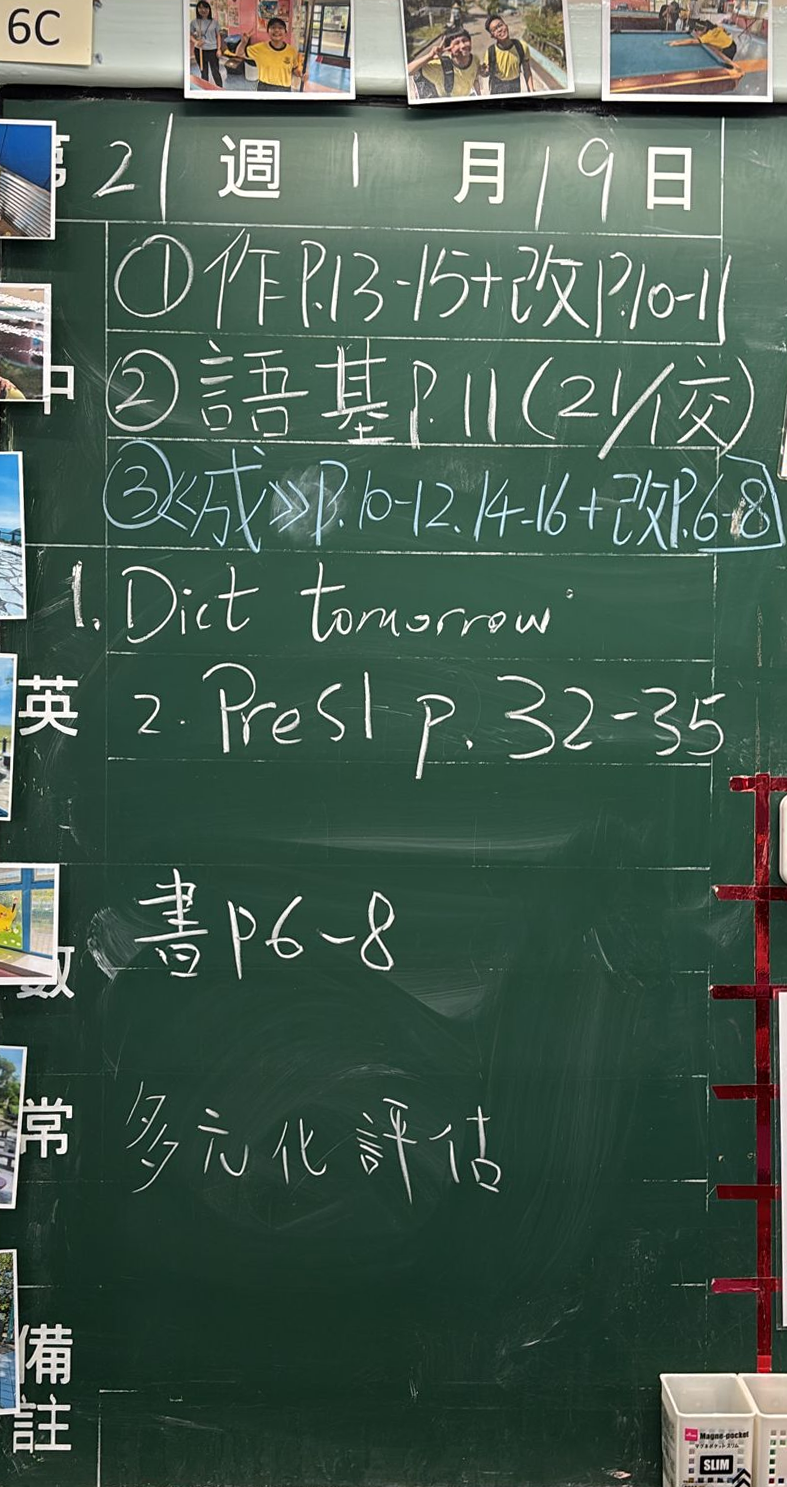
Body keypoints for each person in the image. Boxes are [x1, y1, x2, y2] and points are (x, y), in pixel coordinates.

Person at [234, 15, 304, 92]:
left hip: (284, 89)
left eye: (280, 28)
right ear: (268, 31)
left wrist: (302, 74)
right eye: (273, 27)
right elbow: (239, 54)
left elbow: (295, 69)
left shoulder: (292, 51)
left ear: (285, 32)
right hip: (264, 87)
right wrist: (243, 43)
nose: (276, 30)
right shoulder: (259, 48)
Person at [408, 28, 481, 99]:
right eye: (456, 43)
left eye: (465, 40)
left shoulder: (475, 59)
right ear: (449, 49)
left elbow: (475, 78)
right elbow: (408, 71)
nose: (463, 46)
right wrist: (430, 56)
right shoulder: (440, 66)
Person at [484, 14, 533, 94]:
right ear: (492, 36)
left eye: (500, 25)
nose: (499, 29)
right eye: (494, 29)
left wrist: (531, 91)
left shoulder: (522, 47)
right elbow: (485, 72)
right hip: (497, 86)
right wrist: (484, 71)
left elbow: (527, 70)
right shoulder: (490, 52)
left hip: (515, 85)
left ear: (506, 25)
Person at [190, 1, 223, 88]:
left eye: (205, 7)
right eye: (200, 7)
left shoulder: (214, 22)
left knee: (215, 72)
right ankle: (205, 90)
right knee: (204, 72)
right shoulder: (194, 22)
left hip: (212, 50)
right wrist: (196, 42)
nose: (203, 10)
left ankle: (220, 89)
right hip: (200, 51)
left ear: (209, 9)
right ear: (197, 9)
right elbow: (190, 34)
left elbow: (218, 36)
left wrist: (219, 49)